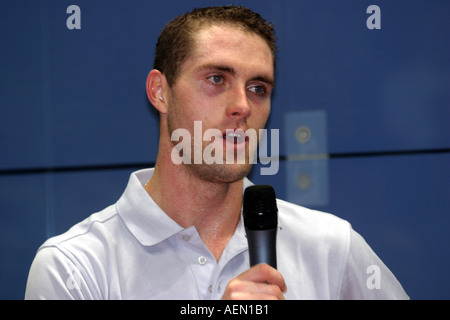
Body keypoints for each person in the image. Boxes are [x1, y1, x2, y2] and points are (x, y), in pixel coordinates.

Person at [25, 5, 408, 300]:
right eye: (216, 79)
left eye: (258, 88)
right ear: (160, 91)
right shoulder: (74, 268)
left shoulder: (329, 247)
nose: (242, 105)